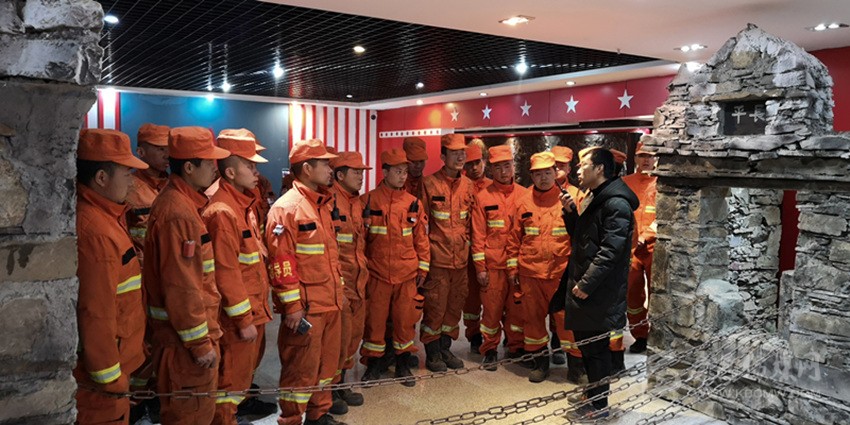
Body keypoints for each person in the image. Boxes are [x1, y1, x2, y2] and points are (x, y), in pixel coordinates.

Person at [144, 126, 230, 424]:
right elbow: (182, 286)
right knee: (190, 417)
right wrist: (199, 344)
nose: (215, 168)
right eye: (209, 162)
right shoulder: (178, 214)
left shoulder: (184, 205)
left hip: (186, 338)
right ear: (189, 167)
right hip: (183, 345)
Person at [266, 139, 346, 425]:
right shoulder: (287, 208)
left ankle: (318, 414)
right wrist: (292, 307)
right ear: (307, 169)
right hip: (307, 308)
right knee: (300, 370)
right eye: (324, 164)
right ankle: (291, 419)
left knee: (325, 366)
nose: (330, 169)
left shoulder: (321, 204)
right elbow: (281, 261)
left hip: (330, 302)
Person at [74, 129, 149, 425]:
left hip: (117, 365)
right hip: (102, 383)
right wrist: (110, 378)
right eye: (127, 173)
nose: (132, 181)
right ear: (102, 178)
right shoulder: (96, 232)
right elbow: (96, 312)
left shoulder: (107, 217)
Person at [202, 129, 273, 425]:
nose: (256, 172)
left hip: (254, 308)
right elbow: (225, 273)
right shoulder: (222, 210)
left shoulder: (243, 204)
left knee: (240, 380)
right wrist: (243, 320)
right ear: (230, 172)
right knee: (229, 386)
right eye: (250, 165)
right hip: (236, 318)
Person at [563, 148, 638, 420]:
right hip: (589, 287)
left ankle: (599, 405)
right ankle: (593, 394)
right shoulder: (597, 197)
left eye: (583, 164)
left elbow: (610, 252)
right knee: (587, 345)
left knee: (596, 349)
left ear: (600, 169)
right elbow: (584, 239)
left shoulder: (616, 204)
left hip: (598, 290)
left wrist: (586, 284)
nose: (578, 170)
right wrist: (571, 213)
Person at [506, 152, 581, 383]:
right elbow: (513, 239)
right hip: (530, 273)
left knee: (568, 322)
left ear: (555, 172)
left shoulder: (570, 198)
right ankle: (540, 364)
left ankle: (576, 367)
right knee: (533, 321)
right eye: (538, 174)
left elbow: (580, 235)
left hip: (562, 273)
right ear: (531, 176)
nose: (543, 178)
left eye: (547, 172)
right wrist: (512, 270)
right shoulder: (522, 202)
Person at [359, 148, 430, 385]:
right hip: (376, 274)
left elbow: (421, 240)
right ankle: (373, 366)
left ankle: (403, 365)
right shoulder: (368, 201)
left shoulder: (413, 204)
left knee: (404, 322)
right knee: (374, 324)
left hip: (406, 275)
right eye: (398, 171)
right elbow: (360, 241)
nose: (403, 176)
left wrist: (423, 269)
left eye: (405, 172)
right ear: (385, 172)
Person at [420, 134, 475, 372]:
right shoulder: (429, 183)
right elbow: (421, 225)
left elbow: (471, 223)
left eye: (462, 152)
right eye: (454, 153)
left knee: (454, 308)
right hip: (437, 260)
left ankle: (445, 348)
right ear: (443, 156)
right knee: (435, 307)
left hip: (460, 261)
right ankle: (432, 352)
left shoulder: (469, 186)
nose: (460, 157)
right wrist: (424, 260)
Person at [470, 145, 526, 370]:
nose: (503, 172)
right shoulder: (483, 197)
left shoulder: (525, 195)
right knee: (491, 311)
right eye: (498, 168)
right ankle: (490, 349)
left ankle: (516, 347)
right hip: (492, 266)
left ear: (513, 166)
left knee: (516, 311)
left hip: (518, 266)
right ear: (491, 170)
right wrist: (480, 268)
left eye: (507, 166)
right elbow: (478, 235)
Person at [328, 151, 372, 411]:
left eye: (362, 172)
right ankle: (330, 391)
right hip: (340, 283)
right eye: (356, 172)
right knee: (337, 341)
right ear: (340, 175)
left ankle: (342, 385)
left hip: (358, 282)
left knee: (352, 337)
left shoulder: (357, 202)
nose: (361, 177)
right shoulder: (330, 201)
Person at [621, 137, 658, 354]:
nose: (646, 160)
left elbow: (666, 216)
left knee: (657, 295)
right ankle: (640, 335)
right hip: (631, 249)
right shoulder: (625, 183)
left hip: (654, 248)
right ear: (635, 158)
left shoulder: (664, 183)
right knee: (632, 296)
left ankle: (658, 335)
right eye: (642, 155)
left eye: (650, 156)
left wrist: (647, 235)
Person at [462, 141, 491, 354]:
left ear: (484, 161)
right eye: (469, 163)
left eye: (477, 162)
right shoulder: (461, 187)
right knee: (471, 300)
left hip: (489, 253)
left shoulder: (493, 187)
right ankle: (473, 335)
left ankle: (499, 337)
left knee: (493, 299)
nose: (473, 167)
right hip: (466, 255)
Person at [126, 123, 170, 259]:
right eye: (160, 149)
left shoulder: (174, 186)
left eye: (169, 149)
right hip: (143, 268)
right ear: (141, 152)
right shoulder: (127, 189)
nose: (167, 155)